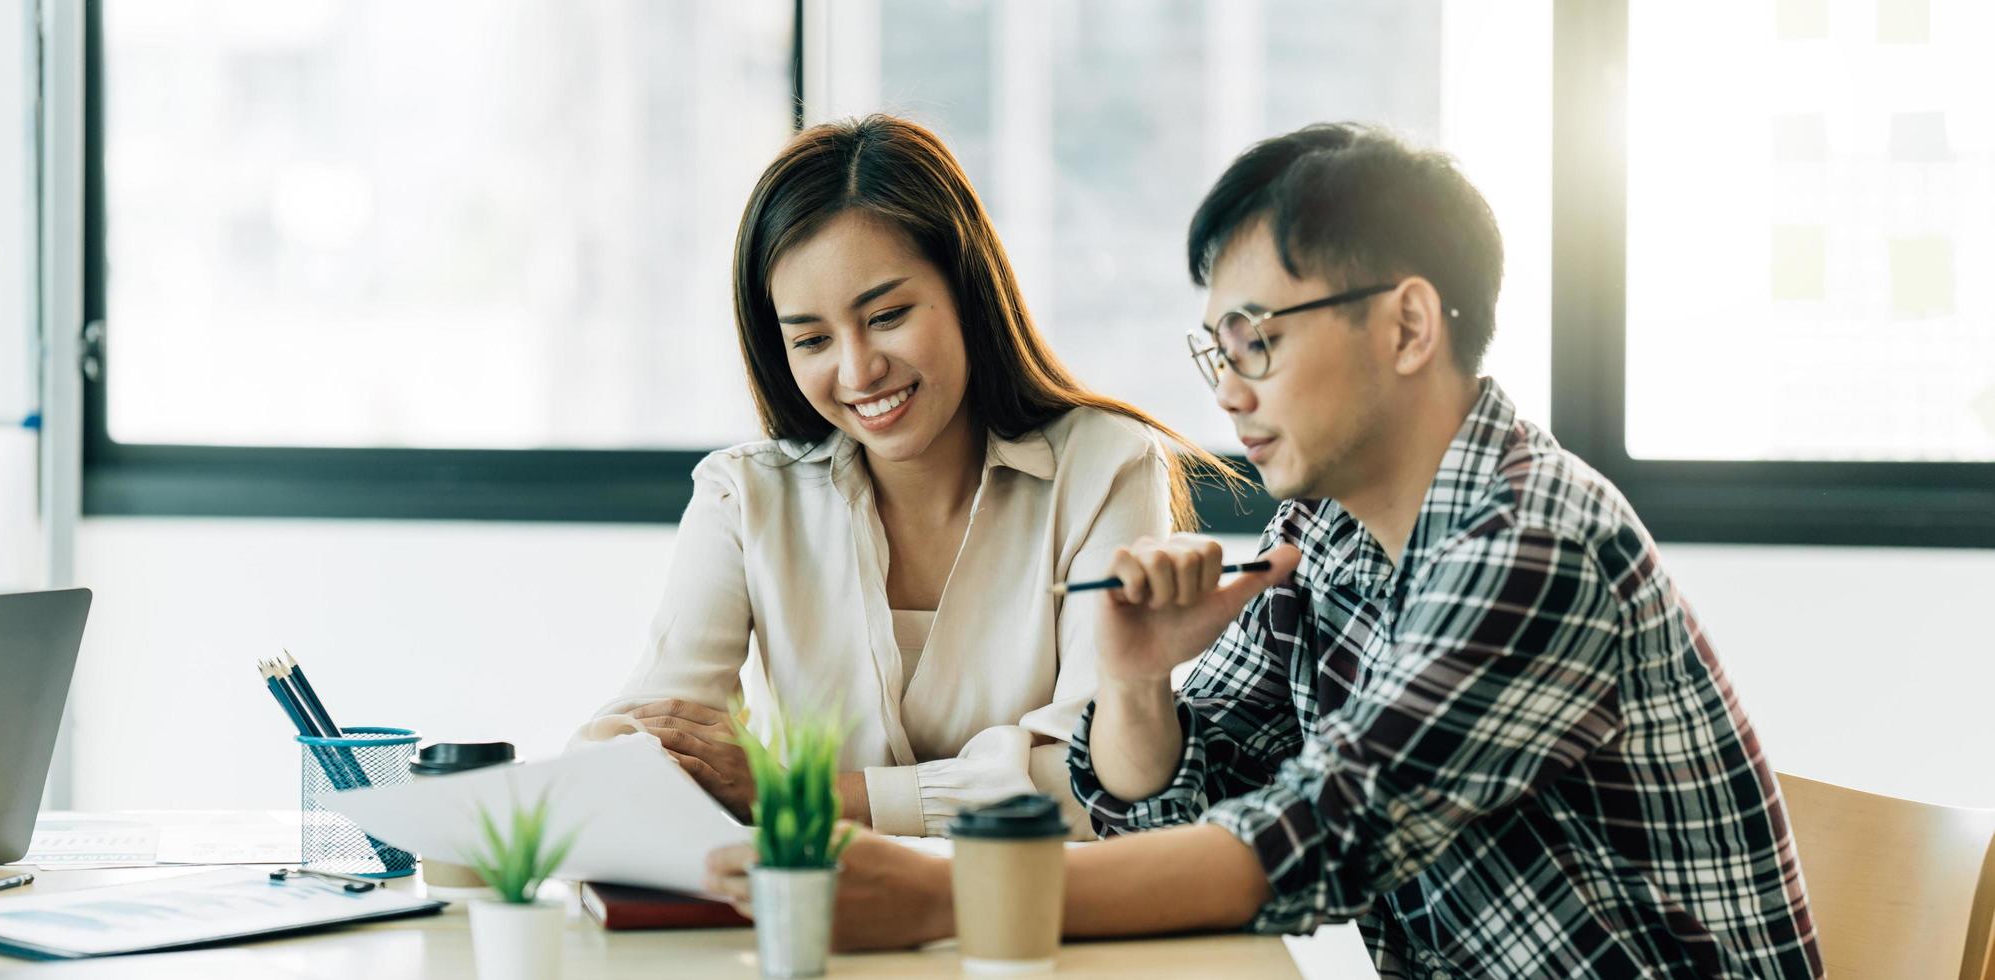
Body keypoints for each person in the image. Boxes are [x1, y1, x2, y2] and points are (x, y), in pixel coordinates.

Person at [706, 123, 1825, 977]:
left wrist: (952, 893)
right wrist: (1139, 679)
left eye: (1261, 341)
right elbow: (1183, 813)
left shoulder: (1527, 541)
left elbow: (1308, 842)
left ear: (1406, 324)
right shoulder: (1324, 531)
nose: (1230, 390)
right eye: (1217, 349)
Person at [582, 114, 1240, 838]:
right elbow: (651, 732)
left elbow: (1092, 787)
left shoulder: (1107, 464)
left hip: (1038, 927)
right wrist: (622, 758)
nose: (858, 371)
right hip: (818, 926)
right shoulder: (743, 496)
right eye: (810, 339)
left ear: (965, 289)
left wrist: (802, 794)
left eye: (887, 315)